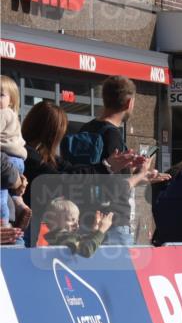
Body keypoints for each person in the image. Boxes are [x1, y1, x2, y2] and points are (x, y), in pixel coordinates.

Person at [22, 102, 162, 241]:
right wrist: (111, 168)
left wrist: (114, 168)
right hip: (31, 227)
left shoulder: (45, 156)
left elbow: (72, 170)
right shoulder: (29, 156)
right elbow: (65, 179)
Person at [77, 76, 142, 246]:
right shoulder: (113, 134)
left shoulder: (86, 129)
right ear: (129, 103)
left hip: (87, 217)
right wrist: (142, 174)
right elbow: (116, 186)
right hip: (113, 222)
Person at [1, 75, 30, 237]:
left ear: (11, 101)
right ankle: (20, 205)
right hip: (18, 160)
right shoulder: (13, 115)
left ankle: (3, 222)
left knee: (1, 193)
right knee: (13, 193)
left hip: (7, 159)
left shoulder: (2, 113)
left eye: (1, 95)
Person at [38, 198, 113, 257]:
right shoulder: (61, 238)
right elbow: (86, 250)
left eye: (77, 221)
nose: (77, 225)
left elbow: (83, 242)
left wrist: (94, 232)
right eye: (72, 220)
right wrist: (101, 231)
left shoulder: (63, 237)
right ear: (54, 221)